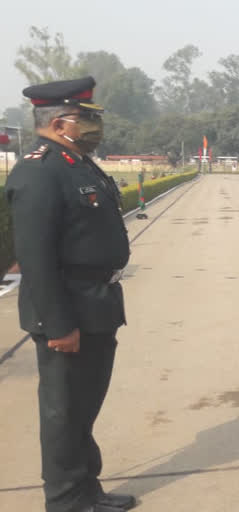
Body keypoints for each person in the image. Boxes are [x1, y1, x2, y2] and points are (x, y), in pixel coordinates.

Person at [4, 77, 136, 512]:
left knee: (83, 408)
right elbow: (36, 259)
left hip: (96, 302)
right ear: (62, 122)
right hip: (68, 309)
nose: (96, 126)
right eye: (89, 119)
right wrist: (58, 323)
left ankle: (86, 490)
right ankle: (65, 501)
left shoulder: (77, 163)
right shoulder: (40, 171)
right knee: (63, 413)